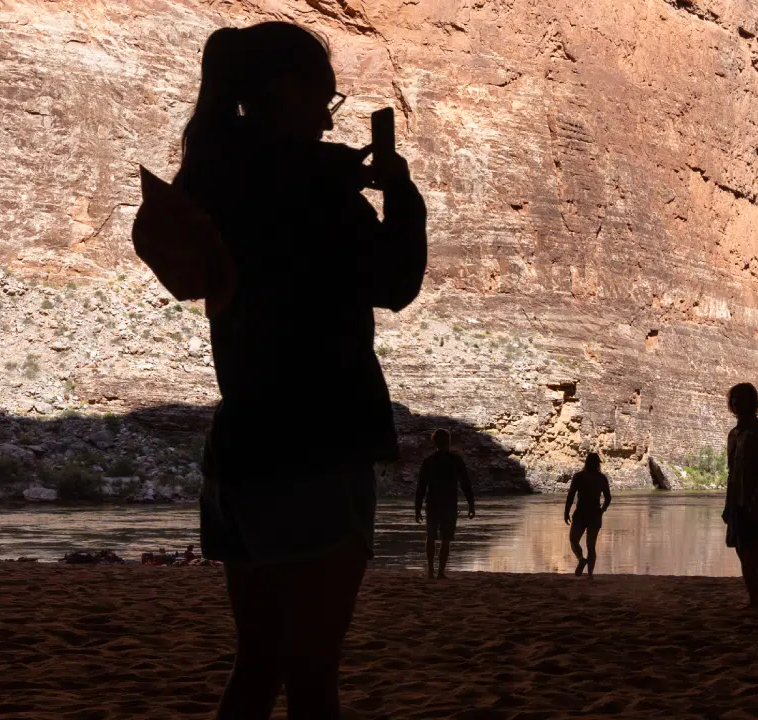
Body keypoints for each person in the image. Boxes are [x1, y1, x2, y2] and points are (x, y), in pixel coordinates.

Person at [156, 21, 427, 720]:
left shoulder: (212, 177)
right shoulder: (313, 191)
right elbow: (395, 281)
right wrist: (400, 195)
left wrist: (339, 174)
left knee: (257, 665)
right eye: (325, 101)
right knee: (313, 677)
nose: (325, 118)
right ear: (287, 90)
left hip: (238, 457)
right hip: (315, 451)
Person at [723, 383, 758, 611]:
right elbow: (731, 473)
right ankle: (754, 600)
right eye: (734, 399)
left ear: (751, 402)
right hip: (736, 502)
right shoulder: (733, 434)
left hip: (755, 502)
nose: (736, 403)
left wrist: (754, 502)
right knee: (742, 553)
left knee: (754, 552)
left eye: (741, 399)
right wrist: (728, 505)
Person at [415, 429, 476, 580]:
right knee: (446, 539)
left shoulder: (428, 462)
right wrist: (471, 504)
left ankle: (430, 571)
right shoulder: (455, 460)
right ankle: (441, 572)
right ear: (448, 441)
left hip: (432, 503)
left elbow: (421, 487)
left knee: (430, 537)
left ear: (434, 442)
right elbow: (465, 484)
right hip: (449, 503)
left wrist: (417, 508)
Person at [565, 453, 612, 576]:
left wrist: (566, 512)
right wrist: (603, 509)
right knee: (591, 545)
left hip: (580, 512)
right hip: (595, 514)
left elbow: (571, 496)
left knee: (573, 540)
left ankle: (581, 559)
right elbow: (608, 498)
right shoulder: (602, 478)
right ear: (598, 464)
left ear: (586, 462)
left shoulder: (579, 477)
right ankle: (590, 574)